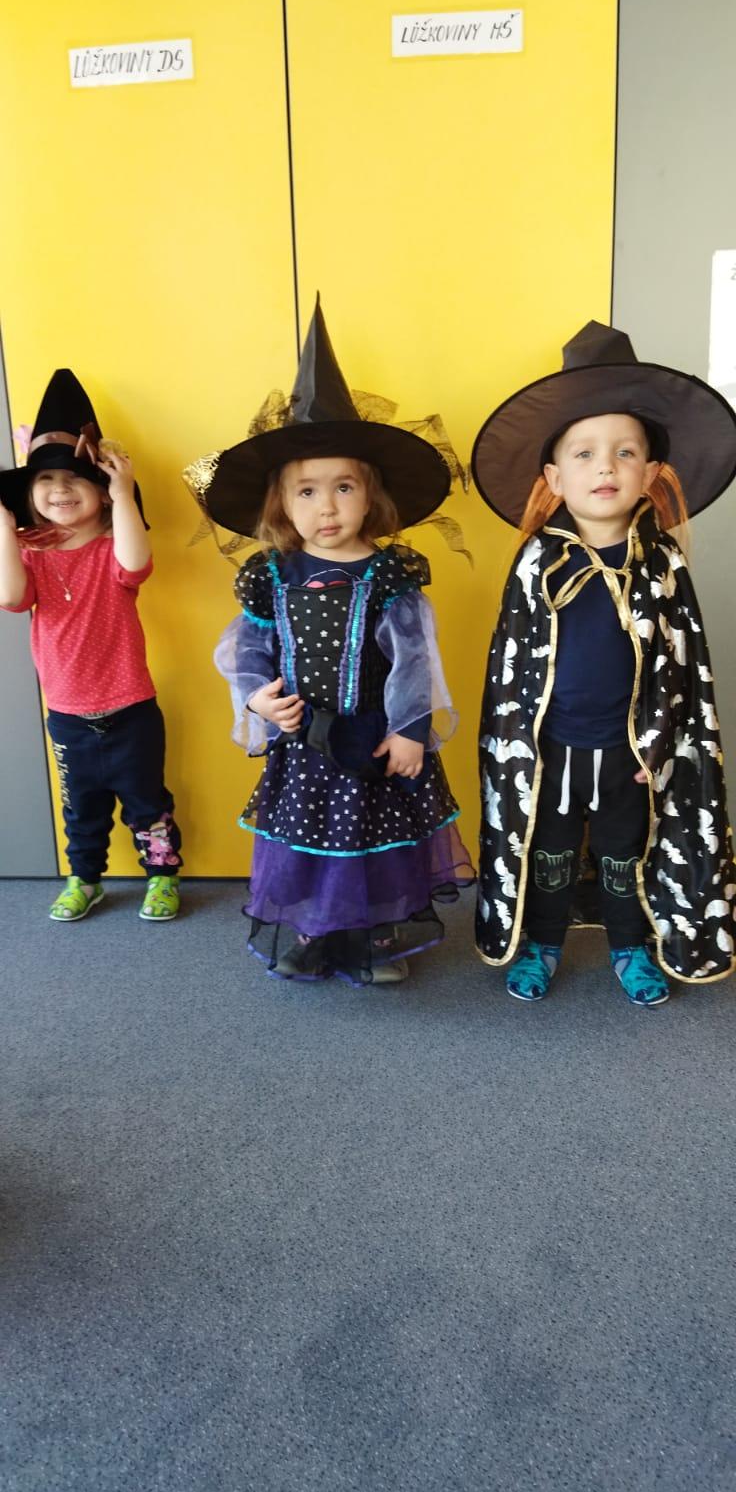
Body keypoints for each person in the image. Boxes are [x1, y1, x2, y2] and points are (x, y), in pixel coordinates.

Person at [186, 295, 472, 982]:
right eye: (307, 492)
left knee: (373, 842)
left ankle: (371, 938)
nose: (327, 506)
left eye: (344, 487)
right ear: (282, 503)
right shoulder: (272, 576)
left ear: (370, 495)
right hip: (304, 740)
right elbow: (247, 650)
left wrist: (410, 730)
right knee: (308, 843)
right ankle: (315, 931)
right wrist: (256, 698)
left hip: (372, 737)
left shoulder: (390, 574)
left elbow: (413, 659)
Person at [471, 320, 736, 1005]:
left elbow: (684, 666)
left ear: (650, 472)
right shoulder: (536, 561)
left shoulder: (663, 562)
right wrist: (521, 749)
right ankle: (542, 944)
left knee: (625, 855)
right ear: (555, 477)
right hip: (553, 748)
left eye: (625, 452)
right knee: (550, 854)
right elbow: (511, 669)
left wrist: (665, 743)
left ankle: (629, 947)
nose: (606, 468)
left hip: (632, 753)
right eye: (585, 454)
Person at [0, 368, 182, 921]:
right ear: (29, 496)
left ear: (101, 495)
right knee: (81, 809)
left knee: (148, 803)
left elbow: (136, 563)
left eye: (76, 479)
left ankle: (162, 877)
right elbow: (11, 597)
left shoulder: (113, 548)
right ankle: (85, 878)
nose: (60, 489)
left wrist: (124, 493)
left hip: (132, 708)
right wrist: (5, 529)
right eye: (46, 480)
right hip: (68, 714)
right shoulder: (30, 555)